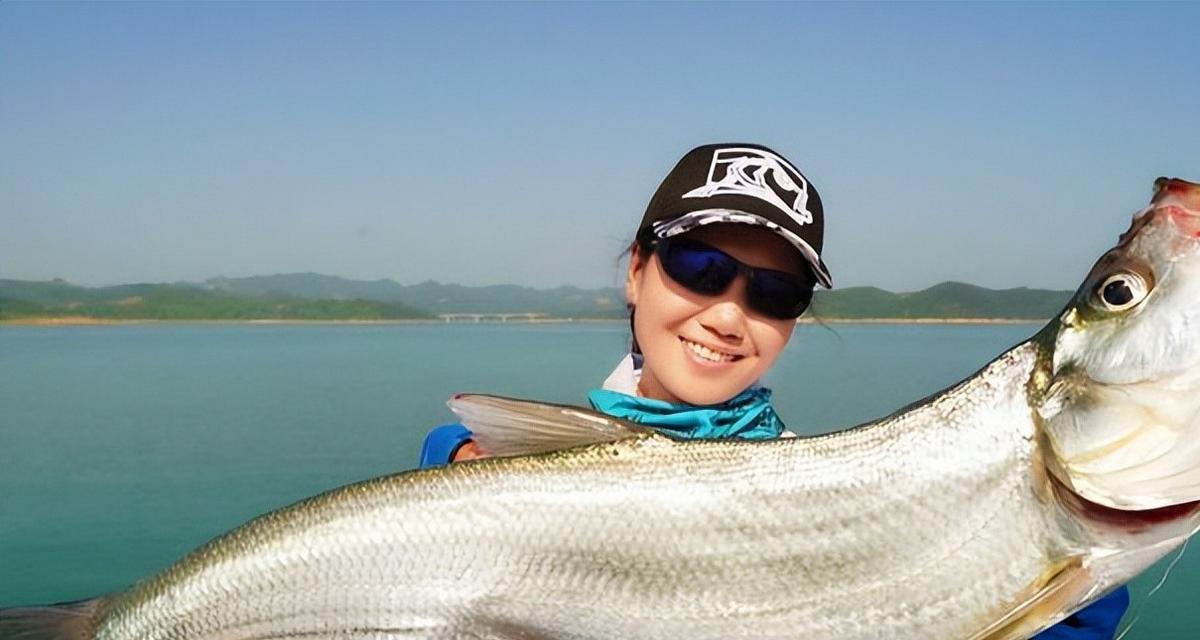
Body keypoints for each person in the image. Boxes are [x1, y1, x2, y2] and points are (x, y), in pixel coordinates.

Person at [418, 143, 1129, 638]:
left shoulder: (835, 501)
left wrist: (1063, 582)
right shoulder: (491, 462)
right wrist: (450, 475)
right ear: (636, 270)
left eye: (774, 291)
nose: (728, 315)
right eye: (698, 265)